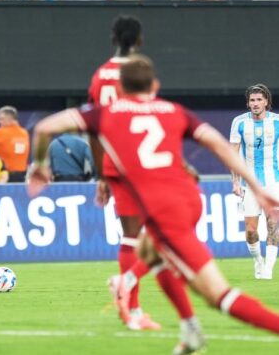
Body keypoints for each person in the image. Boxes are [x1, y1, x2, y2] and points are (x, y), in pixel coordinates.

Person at [29, 54, 279, 354]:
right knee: (152, 252)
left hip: (164, 210)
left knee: (218, 295)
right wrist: (256, 187)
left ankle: (133, 287)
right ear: (155, 85)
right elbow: (219, 145)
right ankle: (185, 326)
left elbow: (44, 128)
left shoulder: (106, 113)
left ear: (121, 86)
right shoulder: (174, 110)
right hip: (189, 197)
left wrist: (41, 165)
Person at [88, 15, 174, 331]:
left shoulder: (100, 76)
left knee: (131, 236)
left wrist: (101, 174)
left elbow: (94, 129)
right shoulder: (140, 73)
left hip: (115, 165)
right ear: (139, 40)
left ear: (113, 39)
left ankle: (132, 306)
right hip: (144, 163)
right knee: (166, 234)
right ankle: (131, 296)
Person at [230, 84, 279, 280]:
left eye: (259, 100)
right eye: (252, 100)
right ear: (248, 103)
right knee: (251, 231)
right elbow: (233, 155)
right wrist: (235, 182)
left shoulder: (277, 122)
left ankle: (268, 268)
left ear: (266, 101)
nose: (256, 104)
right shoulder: (239, 123)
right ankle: (258, 260)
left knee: (273, 224)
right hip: (250, 184)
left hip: (274, 182)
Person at [0, 105, 30, 182]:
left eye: (1, 119)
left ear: (10, 119)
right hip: (21, 175)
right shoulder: (25, 133)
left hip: (3, 176)